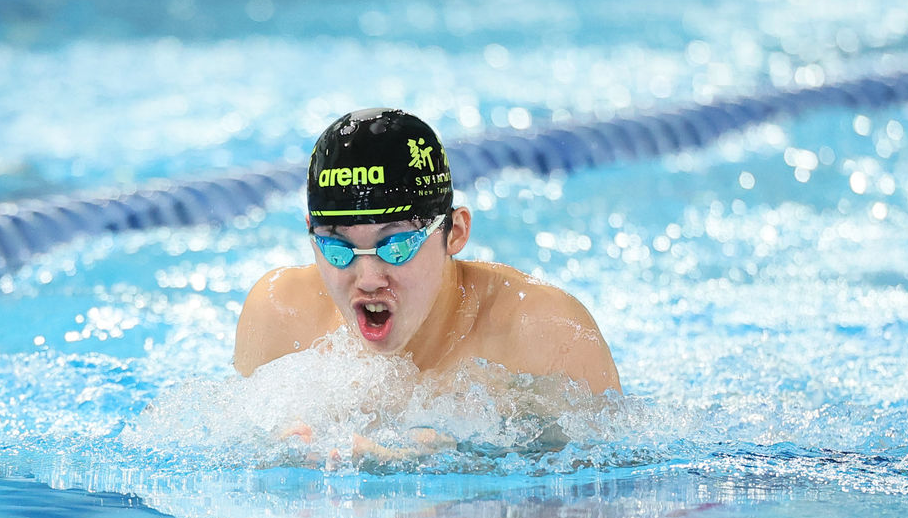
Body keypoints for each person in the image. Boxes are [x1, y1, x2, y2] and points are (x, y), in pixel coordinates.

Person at [233, 107, 620, 396]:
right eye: (338, 250)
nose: (368, 280)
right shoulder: (280, 315)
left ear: (455, 233)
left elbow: (611, 475)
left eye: (396, 246)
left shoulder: (547, 334)